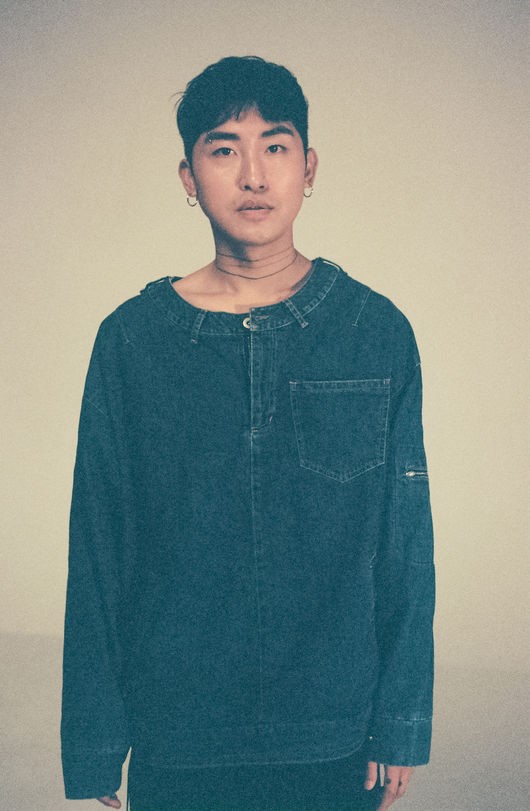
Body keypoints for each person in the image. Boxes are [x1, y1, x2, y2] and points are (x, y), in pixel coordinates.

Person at [61, 56, 435, 811]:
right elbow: (99, 546)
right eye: (225, 149)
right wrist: (97, 743)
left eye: (276, 146)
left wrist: (400, 722)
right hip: (178, 732)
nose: (254, 175)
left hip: (334, 732)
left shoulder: (373, 331)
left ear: (309, 167)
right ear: (189, 177)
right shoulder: (133, 340)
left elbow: (404, 544)